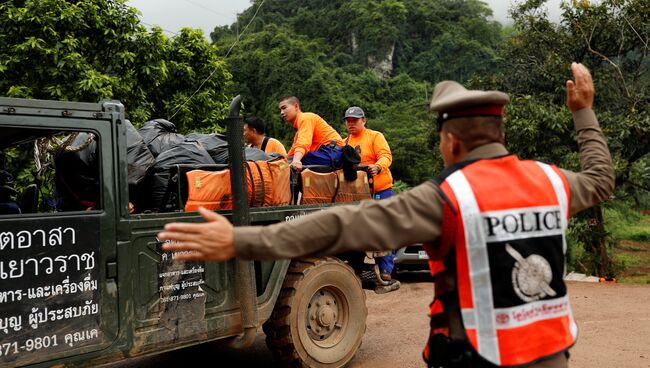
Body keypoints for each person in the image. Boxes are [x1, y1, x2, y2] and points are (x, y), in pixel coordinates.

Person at [158, 63, 614, 367]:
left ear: (450, 142)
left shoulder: (445, 198)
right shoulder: (553, 182)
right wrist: (584, 113)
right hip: (555, 354)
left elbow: (341, 224)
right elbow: (600, 178)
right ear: (498, 131)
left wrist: (242, 241)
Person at [344, 106, 396, 281]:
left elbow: (386, 156)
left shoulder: (375, 136)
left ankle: (385, 268)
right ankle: (358, 267)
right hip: (356, 195)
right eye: (348, 121)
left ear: (363, 120)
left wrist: (378, 166)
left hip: (380, 190)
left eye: (355, 120)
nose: (351, 124)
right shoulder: (345, 142)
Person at [278, 96, 345, 171]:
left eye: (284, 108)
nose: (282, 113)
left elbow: (303, 142)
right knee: (283, 165)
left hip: (333, 153)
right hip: (327, 154)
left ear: (296, 106)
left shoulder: (305, 117)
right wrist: (280, 163)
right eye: (280, 110)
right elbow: (292, 154)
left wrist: (296, 160)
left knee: (288, 164)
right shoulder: (299, 132)